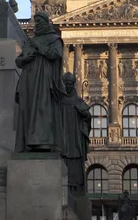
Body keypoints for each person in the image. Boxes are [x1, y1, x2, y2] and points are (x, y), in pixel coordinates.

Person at [15, 11, 64, 153]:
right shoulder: (30, 41)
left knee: (43, 110)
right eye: (35, 22)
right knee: (28, 110)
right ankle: (27, 143)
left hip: (43, 78)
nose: (36, 25)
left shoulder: (54, 39)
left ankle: (43, 142)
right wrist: (24, 59)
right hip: (29, 79)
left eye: (38, 22)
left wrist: (39, 47)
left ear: (45, 22)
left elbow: (56, 54)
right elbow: (19, 60)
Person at [61, 73, 91, 191]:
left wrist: (85, 114)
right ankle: (64, 181)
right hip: (63, 133)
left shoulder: (78, 101)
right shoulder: (60, 100)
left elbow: (88, 116)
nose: (68, 86)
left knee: (75, 156)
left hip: (75, 135)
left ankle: (75, 184)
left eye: (70, 84)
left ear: (73, 85)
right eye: (66, 84)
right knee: (64, 155)